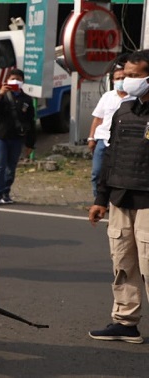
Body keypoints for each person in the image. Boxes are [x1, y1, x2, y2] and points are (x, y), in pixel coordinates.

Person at [88, 49, 149, 345]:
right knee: (123, 263)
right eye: (125, 76)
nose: (127, 81)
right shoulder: (124, 111)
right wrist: (101, 198)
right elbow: (110, 156)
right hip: (120, 198)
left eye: (135, 76)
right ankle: (125, 322)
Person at [0, 68, 36, 205]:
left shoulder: (27, 99)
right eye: (12, 79)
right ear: (7, 81)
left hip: (16, 137)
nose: (15, 81)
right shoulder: (1, 96)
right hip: (0, 136)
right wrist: (0, 95)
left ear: (23, 81)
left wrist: (30, 144)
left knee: (11, 167)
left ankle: (5, 193)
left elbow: (31, 121)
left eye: (18, 79)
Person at [88, 62, 132, 197]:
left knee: (119, 175)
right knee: (97, 172)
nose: (121, 81)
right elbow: (98, 118)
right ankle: (99, 201)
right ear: (113, 81)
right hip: (104, 139)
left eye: (123, 78)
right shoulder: (107, 97)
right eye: (118, 78)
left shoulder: (135, 98)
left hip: (124, 142)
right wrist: (91, 138)